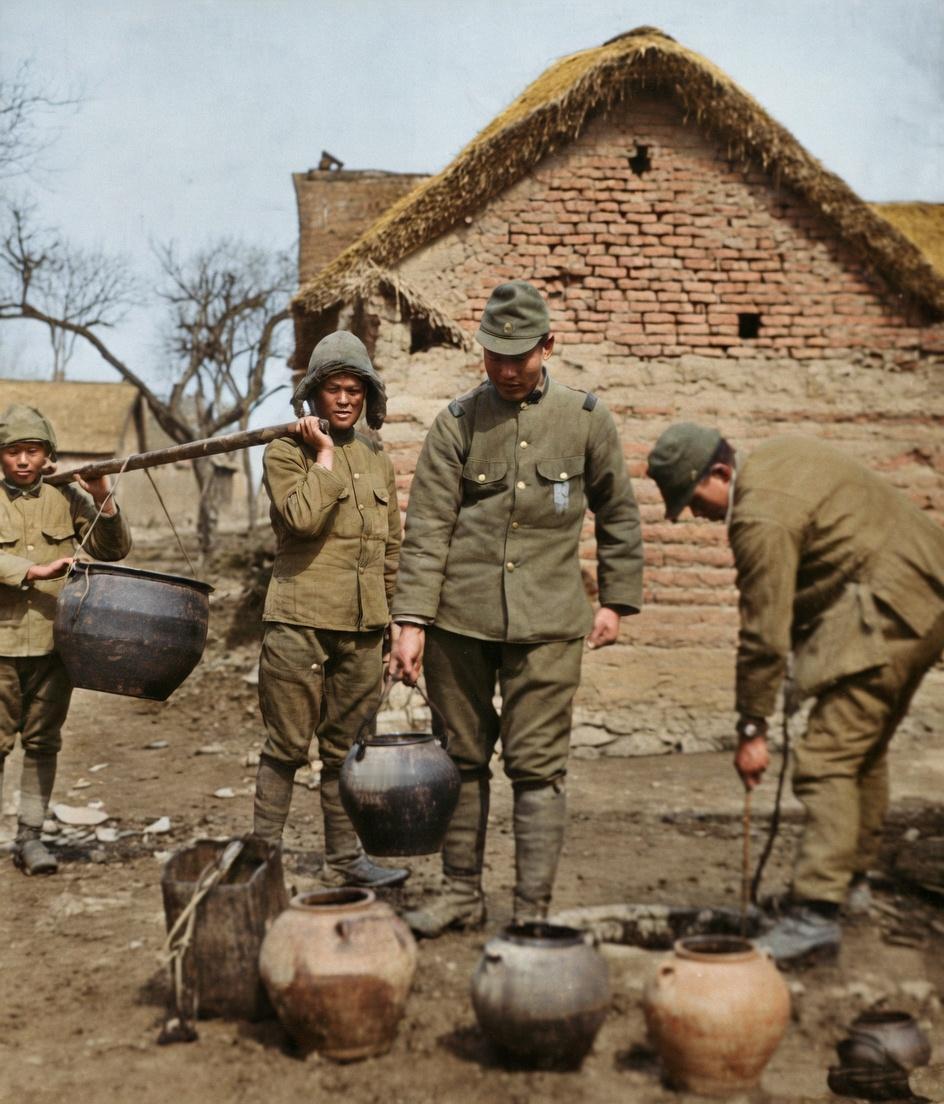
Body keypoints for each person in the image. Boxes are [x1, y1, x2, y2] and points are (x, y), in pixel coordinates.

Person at [389, 280, 643, 936]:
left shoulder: (586, 419)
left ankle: (531, 912)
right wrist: (411, 621)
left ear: (548, 346)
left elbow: (618, 511)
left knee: (537, 769)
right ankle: (460, 894)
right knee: (459, 756)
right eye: (494, 356)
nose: (506, 370)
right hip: (459, 623)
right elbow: (427, 527)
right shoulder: (455, 423)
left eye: (520, 357)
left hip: (550, 626)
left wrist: (615, 600)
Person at [647, 423, 944, 963]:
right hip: (924, 599)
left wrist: (751, 727)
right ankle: (849, 883)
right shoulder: (780, 456)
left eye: (693, 500)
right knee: (862, 752)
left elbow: (763, 630)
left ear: (719, 473)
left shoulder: (758, 516)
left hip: (890, 609)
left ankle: (815, 914)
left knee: (824, 761)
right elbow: (829, 565)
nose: (696, 516)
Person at [250, 330, 408, 887]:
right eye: (333, 389)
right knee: (287, 747)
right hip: (299, 624)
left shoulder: (377, 458)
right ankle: (260, 863)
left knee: (347, 751)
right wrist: (322, 456)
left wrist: (392, 623)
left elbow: (390, 547)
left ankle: (345, 861)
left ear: (366, 396)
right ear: (313, 395)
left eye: (354, 390)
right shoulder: (284, 451)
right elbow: (301, 520)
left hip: (361, 630)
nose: (344, 400)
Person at [0, 404, 131, 875]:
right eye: (12, 451)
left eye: (31, 451)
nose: (21, 461)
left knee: (42, 744)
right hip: (2, 648)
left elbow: (113, 549)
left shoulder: (68, 499)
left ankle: (30, 838)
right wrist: (32, 570)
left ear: (47, 456)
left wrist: (102, 496)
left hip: (56, 648)